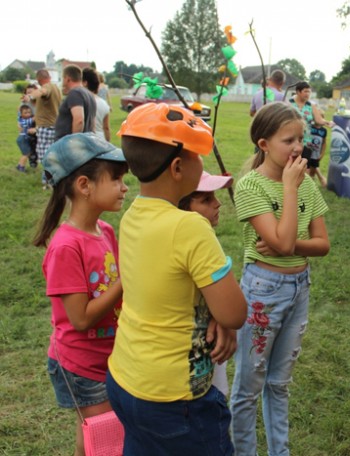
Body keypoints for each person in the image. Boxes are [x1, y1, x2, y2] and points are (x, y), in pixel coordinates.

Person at [106, 103, 247, 455]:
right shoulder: (190, 227)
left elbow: (168, 287)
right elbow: (234, 313)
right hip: (175, 398)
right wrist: (220, 313)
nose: (204, 162)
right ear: (179, 167)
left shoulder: (132, 215)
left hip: (125, 379)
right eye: (199, 155)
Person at [230, 101, 330, 455]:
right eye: (289, 140)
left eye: (300, 138)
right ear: (264, 145)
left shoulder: (305, 184)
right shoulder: (250, 187)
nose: (298, 147)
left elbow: (321, 245)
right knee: (248, 384)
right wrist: (289, 188)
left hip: (299, 288)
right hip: (263, 291)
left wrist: (289, 246)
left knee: (279, 383)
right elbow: (283, 242)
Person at [32, 133, 129, 456]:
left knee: (93, 437)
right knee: (107, 439)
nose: (124, 187)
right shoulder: (66, 246)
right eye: (116, 179)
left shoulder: (107, 231)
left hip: (107, 357)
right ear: (84, 185)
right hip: (79, 363)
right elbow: (81, 318)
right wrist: (126, 278)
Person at [178, 170, 234, 396]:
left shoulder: (206, 241)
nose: (218, 204)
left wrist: (222, 318)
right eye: (206, 200)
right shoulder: (189, 246)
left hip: (209, 354)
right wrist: (225, 318)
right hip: (188, 363)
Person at [289, 82, 335, 187]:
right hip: (291, 140)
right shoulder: (288, 103)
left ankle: (303, 189)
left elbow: (318, 120)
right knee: (291, 165)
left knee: (306, 168)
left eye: (309, 91)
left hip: (306, 142)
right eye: (305, 91)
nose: (308, 94)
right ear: (298, 91)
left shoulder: (311, 105)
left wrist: (327, 122)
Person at [27, 69, 62, 188]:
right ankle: (53, 179)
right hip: (55, 126)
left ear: (39, 79)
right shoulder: (56, 88)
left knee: (45, 156)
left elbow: (42, 91)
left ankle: (48, 181)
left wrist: (30, 96)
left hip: (46, 127)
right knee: (53, 154)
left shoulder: (47, 87)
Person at [55, 65, 96, 141]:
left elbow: (79, 120)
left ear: (67, 79)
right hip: (86, 141)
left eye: (63, 78)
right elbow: (92, 123)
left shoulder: (75, 93)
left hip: (68, 145)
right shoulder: (89, 94)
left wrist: (74, 142)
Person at [82, 67, 111, 141]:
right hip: (100, 139)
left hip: (85, 139)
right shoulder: (104, 104)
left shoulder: (81, 101)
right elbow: (106, 128)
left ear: (85, 83)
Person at [16, 104, 37, 172]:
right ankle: (21, 167)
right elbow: (35, 118)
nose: (28, 114)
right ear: (21, 114)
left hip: (22, 138)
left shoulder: (20, 119)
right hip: (23, 139)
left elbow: (19, 111)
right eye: (25, 113)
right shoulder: (25, 121)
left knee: (25, 153)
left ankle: (19, 165)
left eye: (29, 112)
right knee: (26, 154)